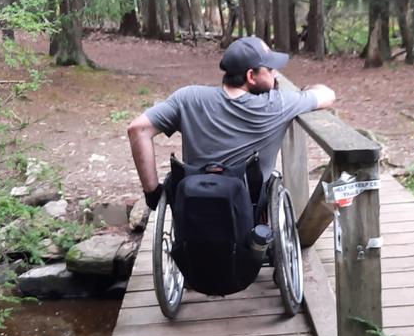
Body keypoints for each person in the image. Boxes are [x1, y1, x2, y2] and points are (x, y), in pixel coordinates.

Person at [127, 36, 335, 209]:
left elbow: (138, 129)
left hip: (193, 206)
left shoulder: (188, 98)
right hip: (249, 207)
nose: (275, 74)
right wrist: (307, 89)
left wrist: (152, 193)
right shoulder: (277, 104)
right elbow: (327, 95)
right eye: (270, 69)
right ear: (251, 76)